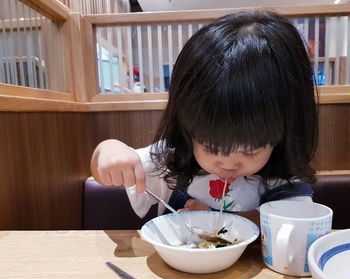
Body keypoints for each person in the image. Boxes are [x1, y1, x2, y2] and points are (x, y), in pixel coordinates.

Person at [90, 11, 318, 225]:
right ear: (188, 130)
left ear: (284, 132)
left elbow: (290, 222)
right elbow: (107, 171)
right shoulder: (172, 161)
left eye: (250, 151)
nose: (228, 163)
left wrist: (213, 220)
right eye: (210, 147)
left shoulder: (284, 179)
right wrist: (109, 150)